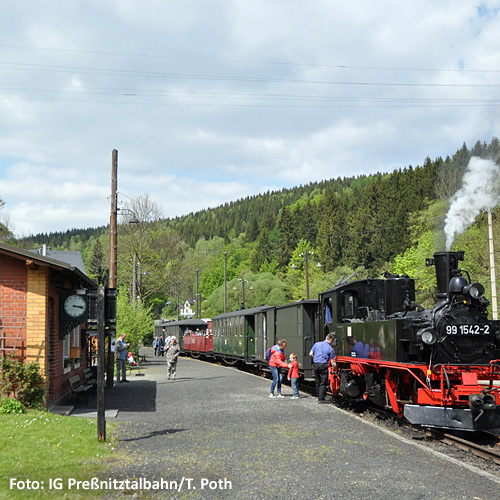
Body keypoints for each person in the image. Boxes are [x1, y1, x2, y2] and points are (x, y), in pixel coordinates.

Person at [309, 333, 336, 403]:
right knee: (323, 382)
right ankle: (321, 399)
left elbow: (310, 354)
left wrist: (316, 357)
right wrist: (335, 369)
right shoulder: (330, 348)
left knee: (317, 381)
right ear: (331, 340)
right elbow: (333, 361)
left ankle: (319, 396)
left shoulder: (316, 344)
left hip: (315, 364)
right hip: (323, 365)